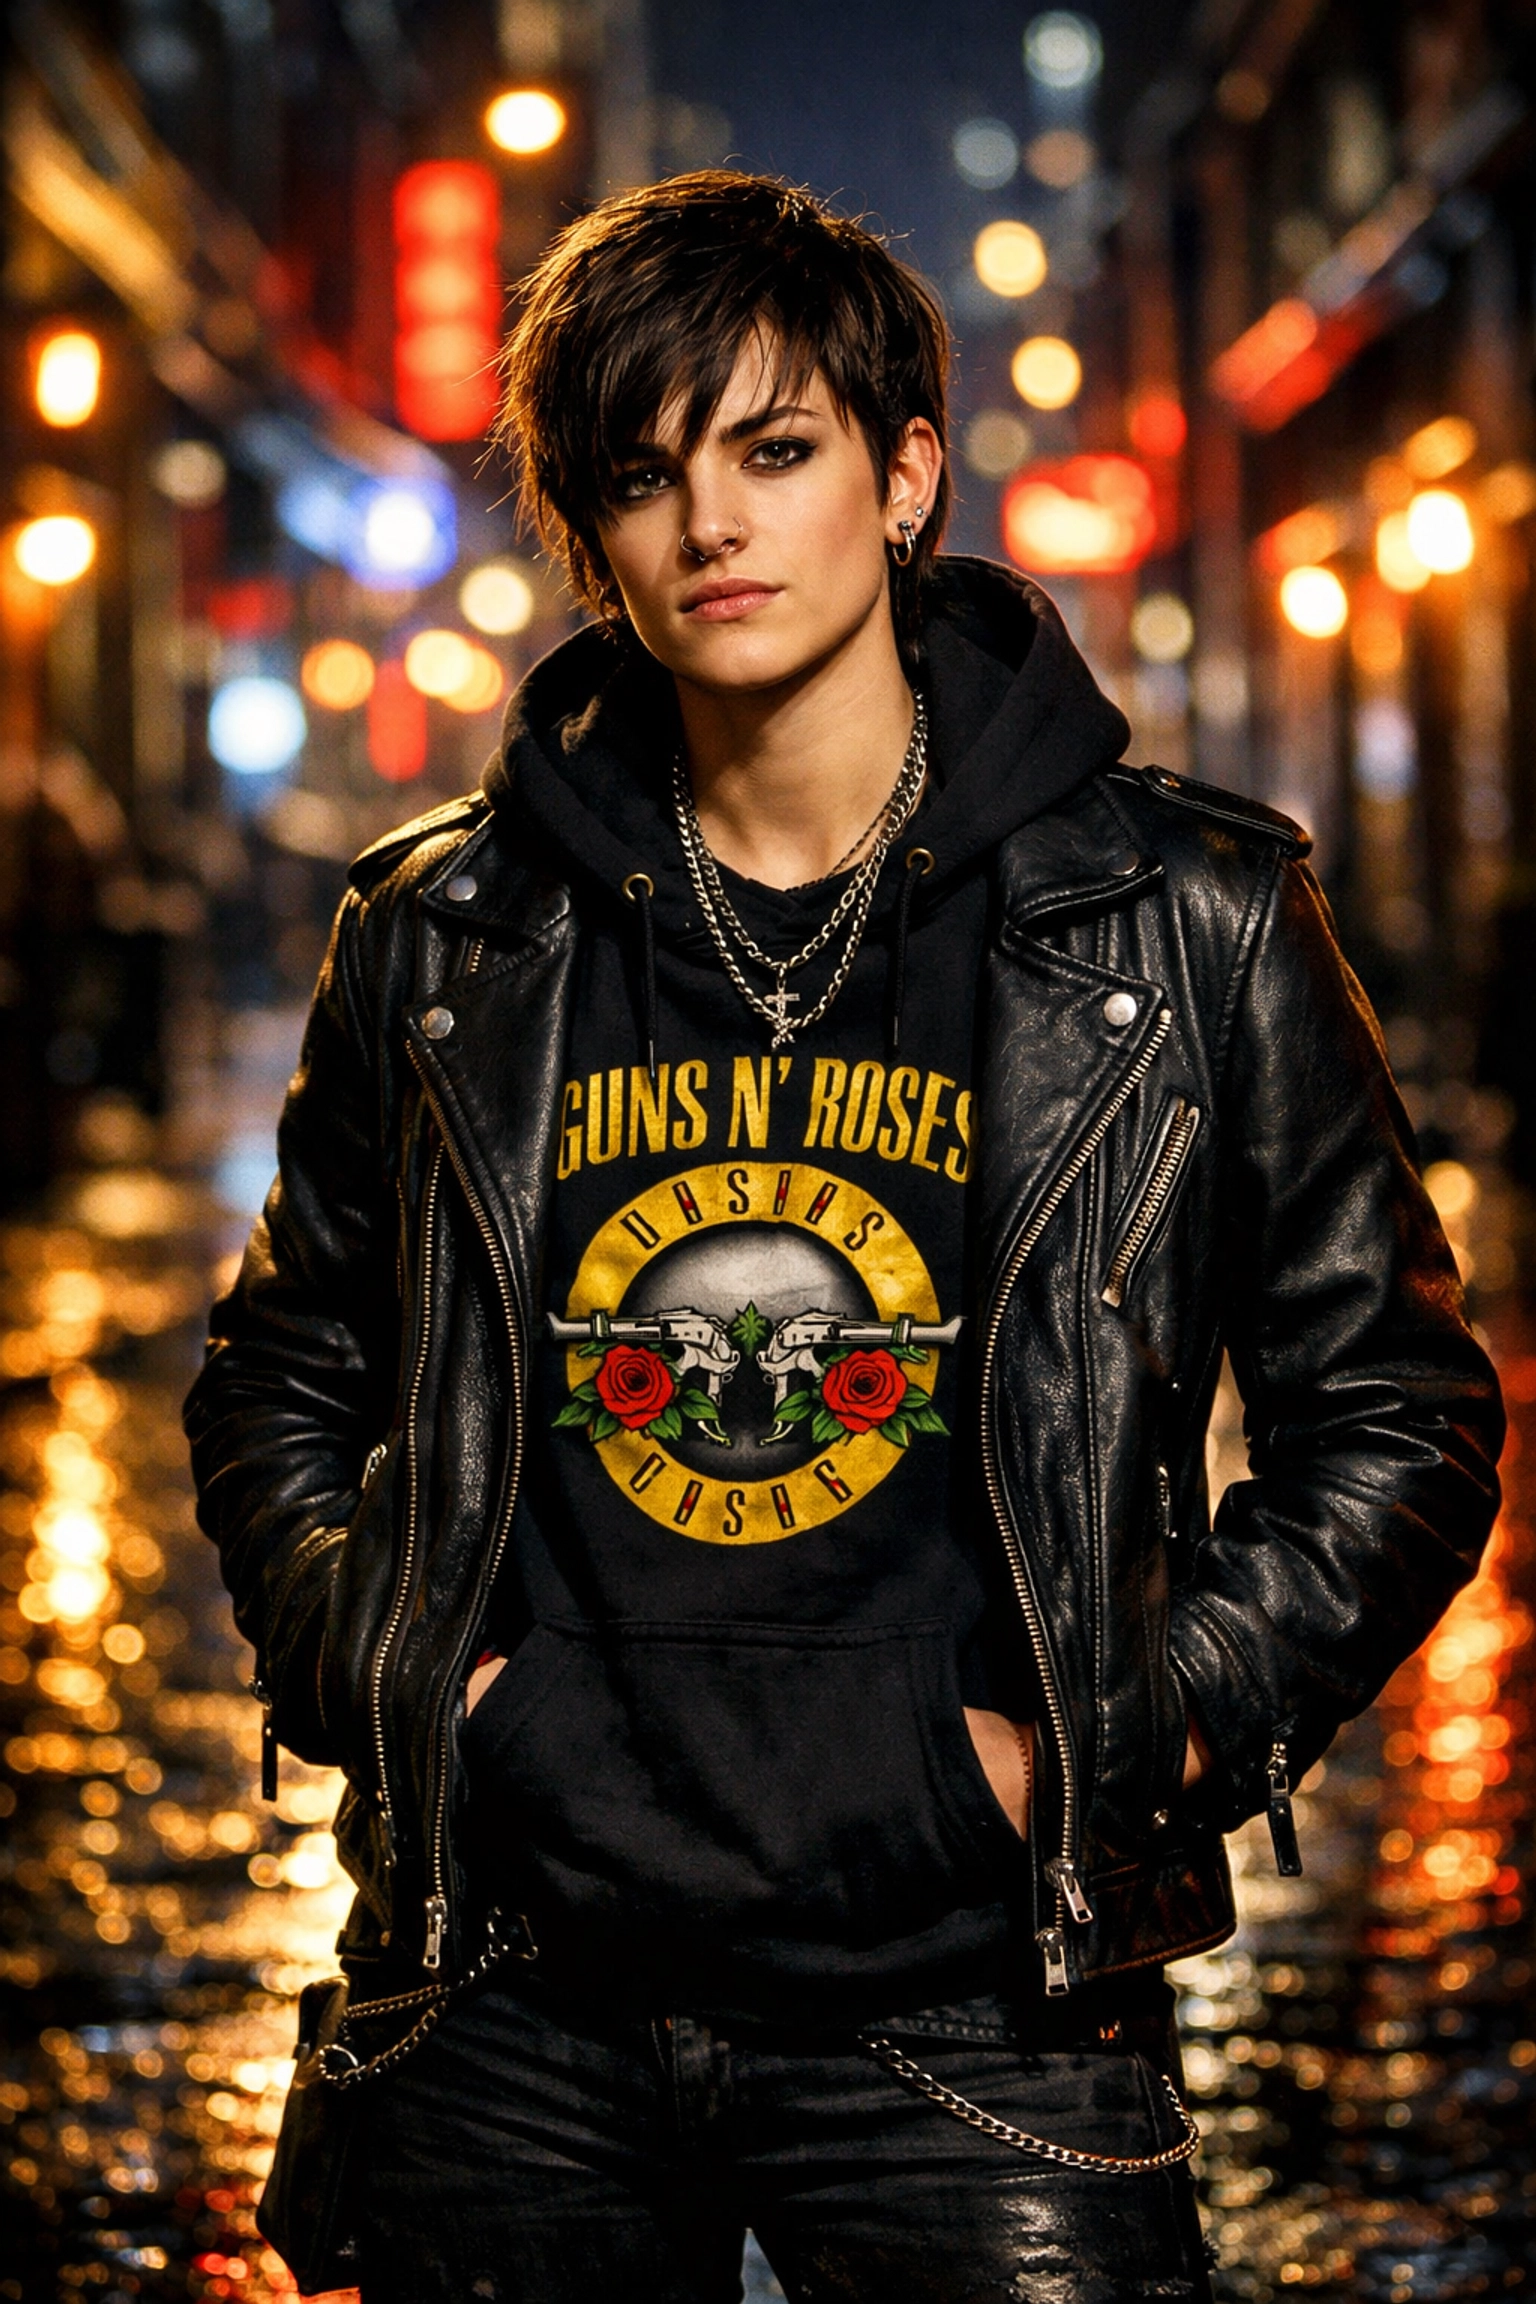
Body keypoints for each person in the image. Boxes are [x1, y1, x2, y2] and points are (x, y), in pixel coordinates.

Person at [185, 172, 1503, 2303]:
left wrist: (1111, 1728)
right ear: (588, 535)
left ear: (905, 478)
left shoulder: (1186, 923)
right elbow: (283, 1378)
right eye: (643, 473)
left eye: (774, 451)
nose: (713, 524)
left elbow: (1398, 1420)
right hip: (513, 1998)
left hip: (982, 2011)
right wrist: (436, 1691)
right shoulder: (443, 934)